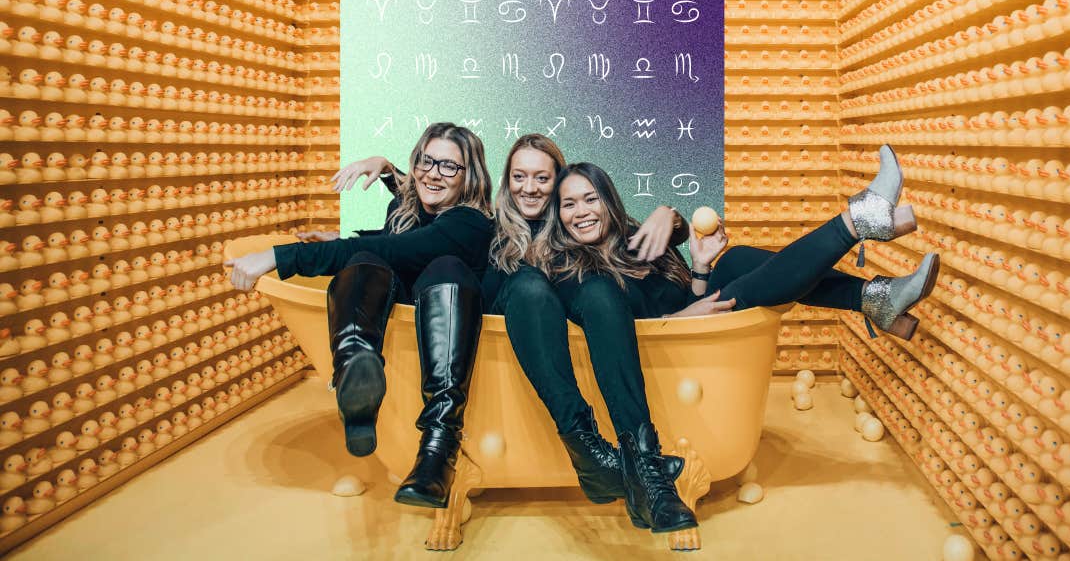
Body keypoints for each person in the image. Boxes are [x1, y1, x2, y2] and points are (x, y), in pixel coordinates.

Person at [530, 145, 939, 529]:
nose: (580, 212)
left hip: (693, 327)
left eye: (590, 198)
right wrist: (683, 317)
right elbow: (617, 329)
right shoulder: (570, 268)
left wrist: (700, 266)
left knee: (737, 258)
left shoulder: (633, 240)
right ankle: (861, 226)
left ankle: (874, 296)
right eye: (568, 204)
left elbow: (679, 293)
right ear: (557, 216)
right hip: (675, 346)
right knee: (743, 289)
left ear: (608, 201)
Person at [336, 134, 690, 524]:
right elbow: (435, 203)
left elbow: (638, 246)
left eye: (542, 177)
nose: (529, 187)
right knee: (529, 284)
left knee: (600, 290)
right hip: (499, 322)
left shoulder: (574, 228)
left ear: (559, 182)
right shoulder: (486, 226)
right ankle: (587, 445)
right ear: (506, 180)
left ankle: (644, 468)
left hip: (556, 325)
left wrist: (670, 215)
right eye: (519, 176)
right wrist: (390, 171)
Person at [224, 122, 493, 509]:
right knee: (365, 260)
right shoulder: (407, 208)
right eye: (426, 160)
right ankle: (355, 376)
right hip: (409, 320)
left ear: (471, 177)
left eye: (449, 166)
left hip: (453, 326)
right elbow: (398, 237)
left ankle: (438, 448)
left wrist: (280, 256)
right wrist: (386, 168)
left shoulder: (471, 223)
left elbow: (406, 249)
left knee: (435, 263)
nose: (433, 172)